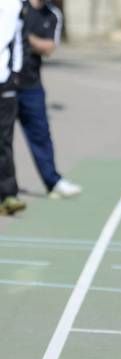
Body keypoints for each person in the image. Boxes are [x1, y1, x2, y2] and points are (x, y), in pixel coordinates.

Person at [16, 0, 81, 198]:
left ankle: (52, 181)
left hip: (31, 85)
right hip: (7, 82)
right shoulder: (15, 6)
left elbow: (49, 47)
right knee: (4, 139)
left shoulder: (52, 14)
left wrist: (25, 37)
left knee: (41, 135)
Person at [0, 0, 23, 215]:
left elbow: (17, 39)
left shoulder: (14, 5)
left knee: (4, 140)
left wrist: (15, 73)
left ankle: (8, 194)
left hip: (4, 80)